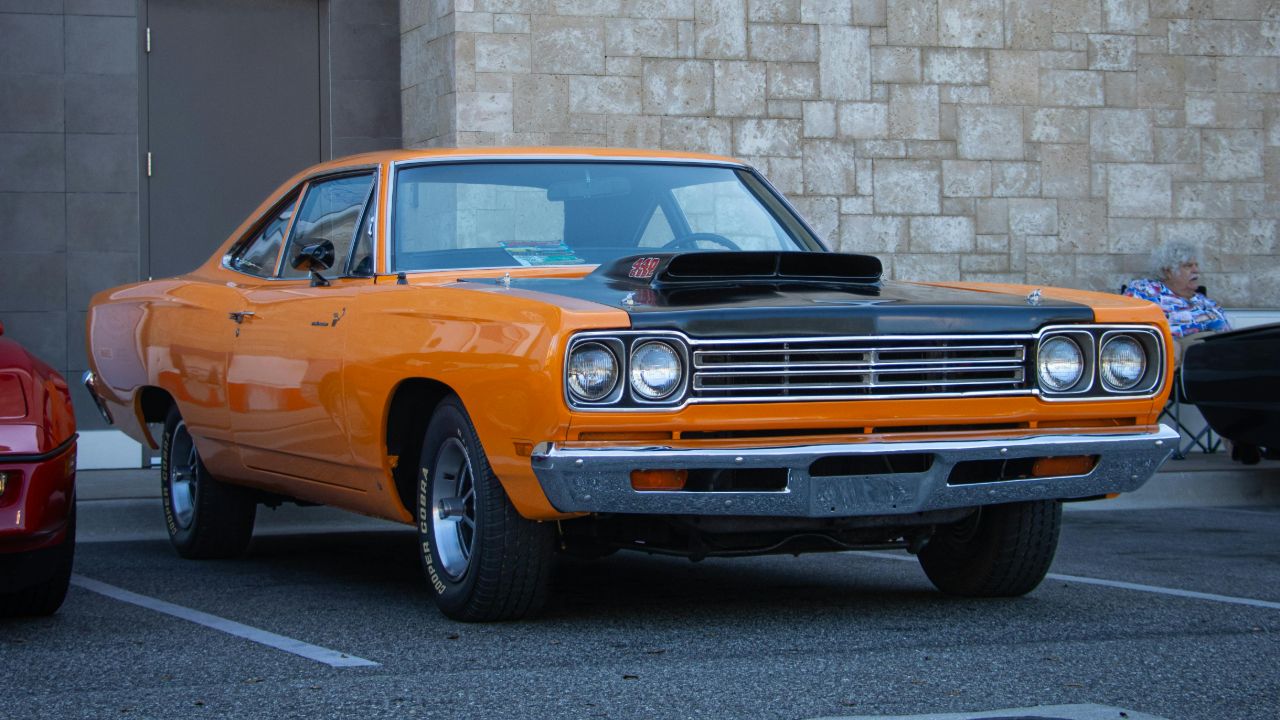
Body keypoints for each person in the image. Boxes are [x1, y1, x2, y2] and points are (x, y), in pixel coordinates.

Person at [1124, 240, 1231, 365]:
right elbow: (1129, 322)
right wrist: (1168, 341)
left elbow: (1228, 335)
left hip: (1210, 351)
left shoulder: (1207, 303)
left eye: (1196, 265)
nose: (1196, 270)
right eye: (1188, 266)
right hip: (1168, 348)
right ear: (1168, 272)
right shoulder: (1145, 290)